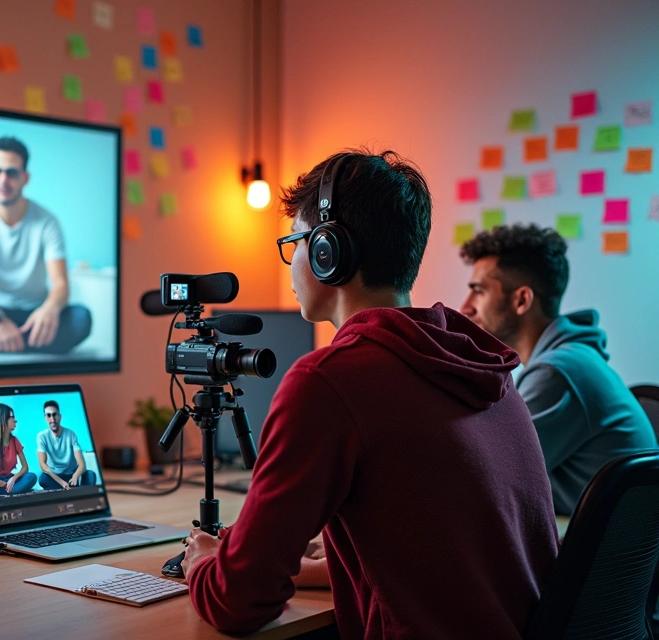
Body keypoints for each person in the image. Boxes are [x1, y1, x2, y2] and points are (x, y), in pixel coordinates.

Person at [182, 150, 558, 637]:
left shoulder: (329, 382)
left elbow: (240, 603)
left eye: (294, 242)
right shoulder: (483, 368)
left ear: (326, 251)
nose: (292, 260)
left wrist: (204, 567)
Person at [459, 223, 656, 515]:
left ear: (522, 300)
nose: (465, 308)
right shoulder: (569, 360)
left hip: (590, 553)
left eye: (479, 291)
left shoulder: (558, 373)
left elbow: (486, 475)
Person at [0, 137, 92, 354]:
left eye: (12, 173)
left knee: (81, 319)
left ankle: (16, 341)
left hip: (36, 314)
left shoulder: (47, 222)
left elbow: (60, 282)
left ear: (25, 177)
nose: (3, 180)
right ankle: (19, 341)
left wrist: (49, 309)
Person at [35, 399, 97, 490]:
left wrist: (75, 476)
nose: (52, 419)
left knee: (91, 475)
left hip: (71, 474)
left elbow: (82, 464)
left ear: (60, 416)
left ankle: (69, 488)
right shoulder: (41, 436)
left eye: (55, 414)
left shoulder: (71, 434)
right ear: (45, 418)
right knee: (42, 479)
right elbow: (43, 465)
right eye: (48, 415)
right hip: (55, 477)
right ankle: (72, 489)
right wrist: (61, 482)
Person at [0, 403, 38, 495]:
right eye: (12, 417)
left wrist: (13, 479)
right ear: (3, 419)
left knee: (32, 477)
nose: (15, 420)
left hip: (11, 478)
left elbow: (25, 467)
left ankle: (12, 491)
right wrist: (4, 484)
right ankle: (15, 490)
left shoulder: (15, 441)